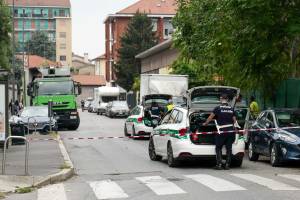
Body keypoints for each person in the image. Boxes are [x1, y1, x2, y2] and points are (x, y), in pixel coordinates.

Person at [202, 94, 238, 170]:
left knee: (218, 147)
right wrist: (236, 130)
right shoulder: (231, 109)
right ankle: (227, 165)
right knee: (229, 148)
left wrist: (205, 124)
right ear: (227, 100)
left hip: (222, 131)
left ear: (221, 99)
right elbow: (235, 121)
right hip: (230, 131)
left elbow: (210, 117)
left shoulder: (218, 108)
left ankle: (219, 165)